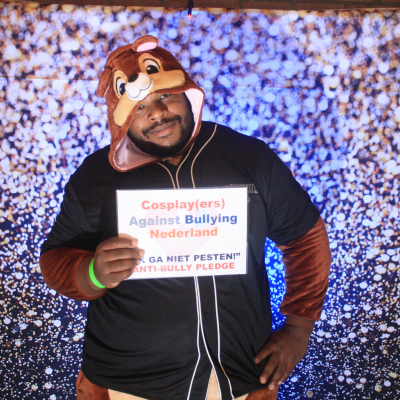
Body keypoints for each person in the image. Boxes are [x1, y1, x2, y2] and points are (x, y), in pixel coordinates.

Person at [40, 35, 331, 400]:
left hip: (238, 378)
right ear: (121, 118)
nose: (156, 113)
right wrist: (92, 272)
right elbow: (54, 260)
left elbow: (305, 238)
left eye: (165, 96)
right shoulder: (96, 174)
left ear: (187, 92)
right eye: (139, 106)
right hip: (126, 385)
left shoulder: (248, 156)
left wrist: (299, 329)